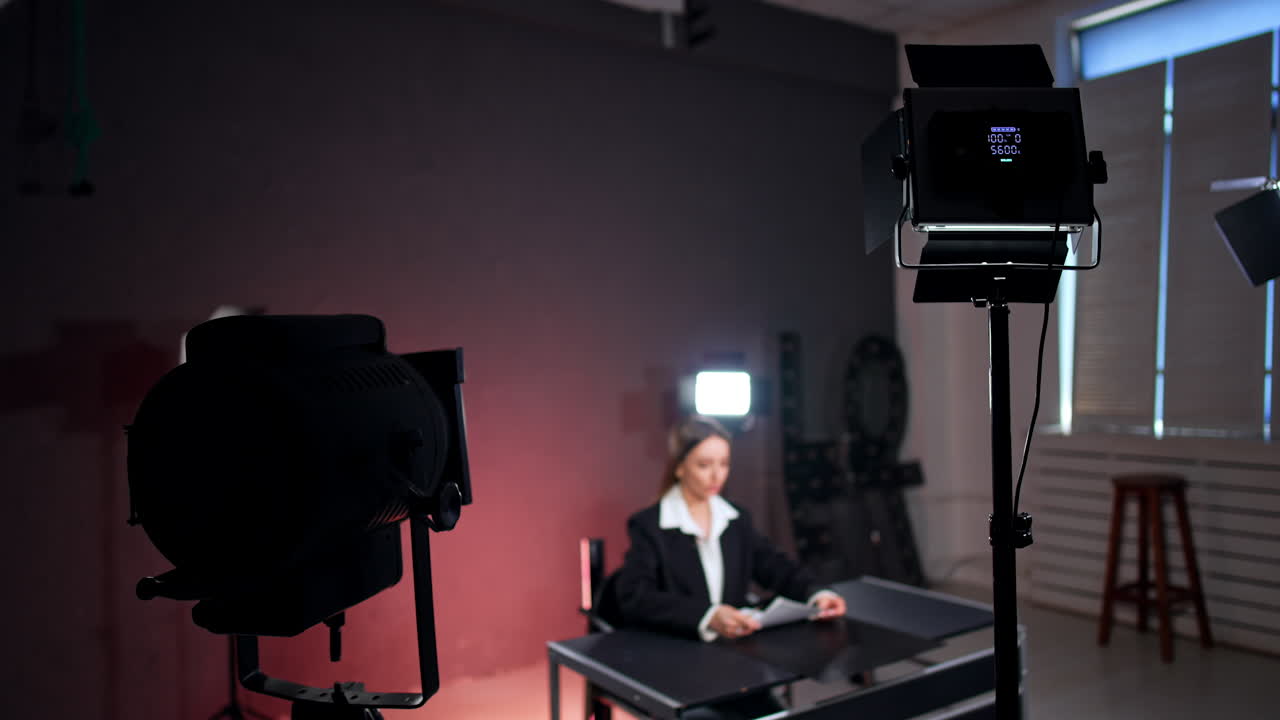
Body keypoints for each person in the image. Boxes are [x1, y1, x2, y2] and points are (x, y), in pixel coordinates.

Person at [615, 414, 847, 643]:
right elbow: (636, 596)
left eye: (724, 464)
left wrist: (817, 594)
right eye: (704, 465)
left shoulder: (736, 519)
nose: (717, 476)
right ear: (680, 468)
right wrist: (708, 616)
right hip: (677, 650)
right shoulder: (650, 525)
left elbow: (776, 566)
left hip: (733, 647)